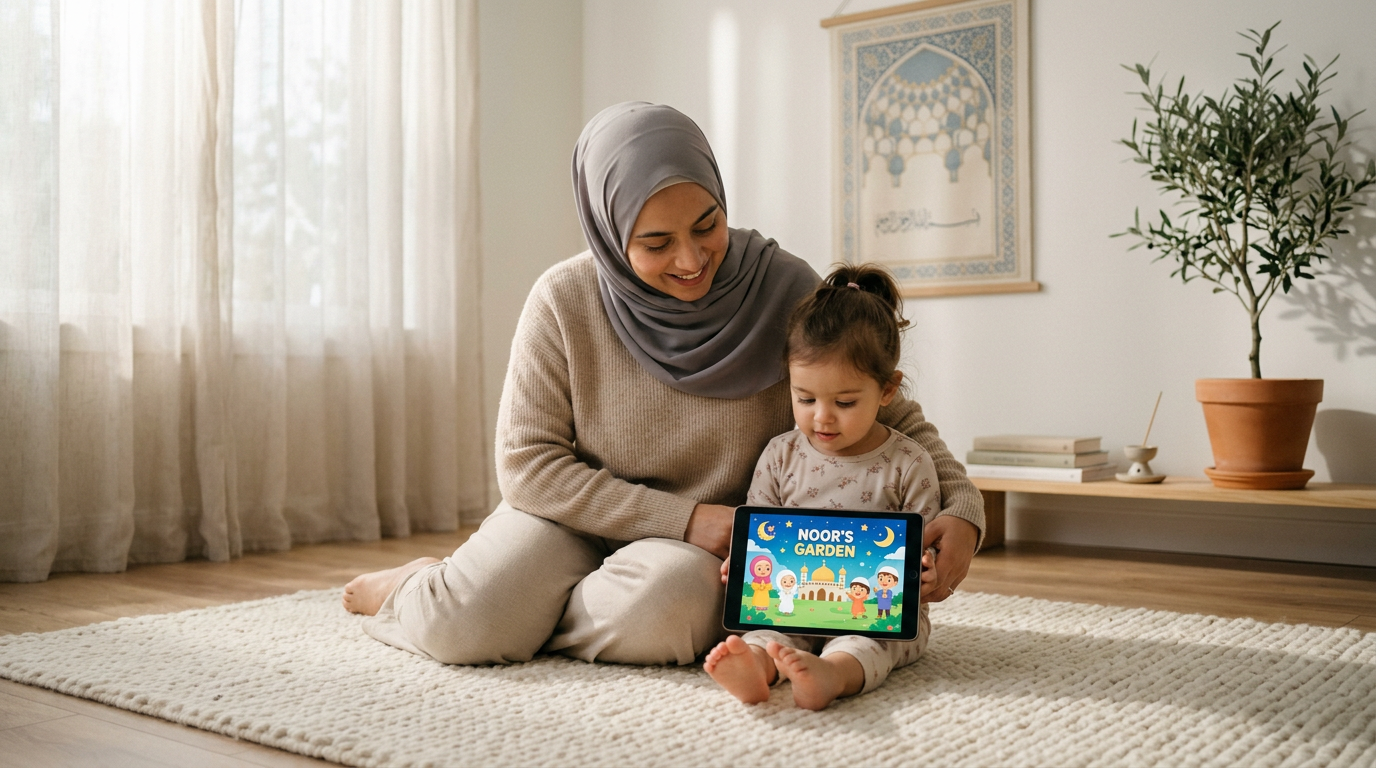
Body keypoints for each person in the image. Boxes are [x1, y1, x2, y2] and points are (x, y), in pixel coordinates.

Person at [340, 102, 983, 669]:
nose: (691, 259)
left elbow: (883, 407)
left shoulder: (785, 289)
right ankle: (419, 589)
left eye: (706, 225)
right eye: (655, 243)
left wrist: (962, 511)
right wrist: (686, 518)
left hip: (693, 559)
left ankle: (518, 614)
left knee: (664, 612)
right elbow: (528, 466)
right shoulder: (562, 299)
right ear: (609, 232)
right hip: (571, 521)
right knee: (461, 626)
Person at [703, 263, 956, 710]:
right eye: (805, 398)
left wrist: (928, 569)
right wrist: (741, 560)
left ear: (887, 390)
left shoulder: (908, 463)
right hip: (791, 603)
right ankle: (756, 666)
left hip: (876, 617)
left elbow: (925, 546)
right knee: (766, 633)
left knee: (867, 645)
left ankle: (832, 675)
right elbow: (761, 528)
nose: (822, 417)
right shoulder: (780, 455)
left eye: (844, 402)